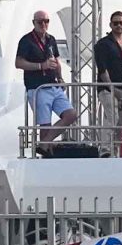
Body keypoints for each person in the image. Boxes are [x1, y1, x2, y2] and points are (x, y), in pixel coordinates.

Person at [15, 10, 76, 157]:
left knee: (71, 115)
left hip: (53, 85)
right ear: (34, 23)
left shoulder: (51, 39)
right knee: (45, 124)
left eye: (46, 21)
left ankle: (45, 143)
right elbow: (18, 63)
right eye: (40, 21)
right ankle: (45, 153)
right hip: (38, 87)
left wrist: (60, 78)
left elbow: (56, 61)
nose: (43, 24)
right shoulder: (26, 40)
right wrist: (40, 66)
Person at [94, 11, 122, 158]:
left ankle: (115, 150)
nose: (119, 25)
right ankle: (105, 149)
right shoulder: (103, 44)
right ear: (110, 25)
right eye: (116, 23)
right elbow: (102, 69)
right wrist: (112, 88)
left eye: (121, 23)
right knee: (111, 116)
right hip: (107, 88)